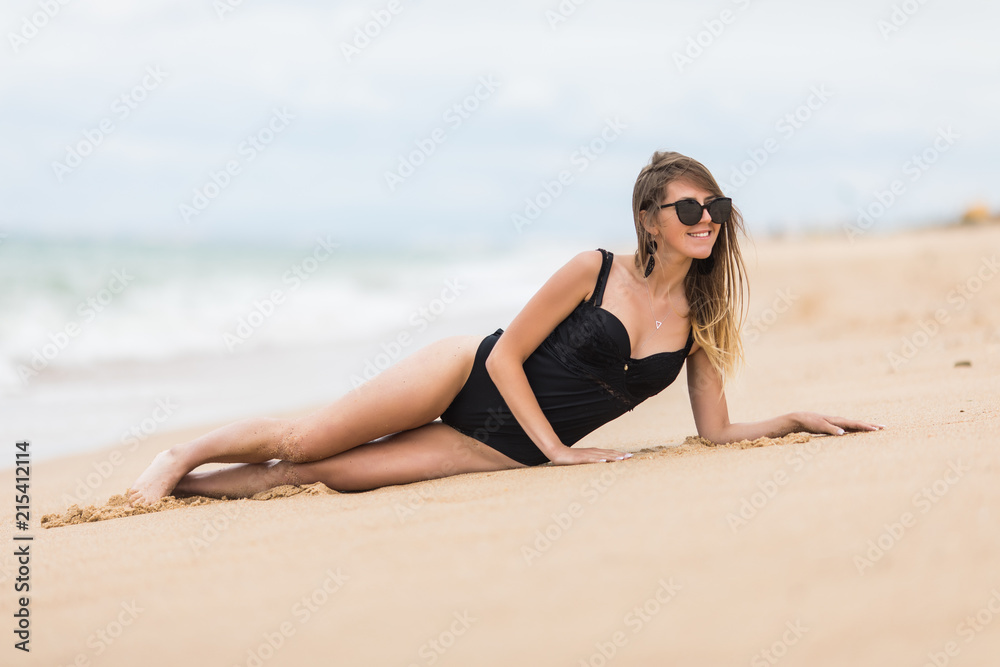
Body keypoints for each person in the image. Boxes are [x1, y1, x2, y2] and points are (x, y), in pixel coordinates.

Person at [126, 151, 885, 505]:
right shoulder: (591, 270)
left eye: (715, 209)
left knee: (323, 476)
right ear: (650, 220)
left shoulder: (705, 316)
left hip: (495, 447)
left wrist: (791, 419)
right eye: (689, 210)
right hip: (468, 374)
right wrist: (557, 451)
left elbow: (714, 431)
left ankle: (191, 488)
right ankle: (178, 453)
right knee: (310, 440)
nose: (706, 221)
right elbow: (511, 356)